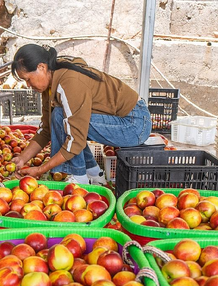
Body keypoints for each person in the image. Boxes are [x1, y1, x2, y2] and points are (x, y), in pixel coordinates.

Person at [10, 44, 152, 184]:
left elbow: (75, 138)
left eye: (28, 79)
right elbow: (46, 129)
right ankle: (94, 173)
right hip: (123, 121)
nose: (28, 85)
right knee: (62, 118)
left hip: (135, 124)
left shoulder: (69, 82)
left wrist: (41, 169)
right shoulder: (50, 86)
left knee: (64, 120)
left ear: (42, 67)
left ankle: (78, 177)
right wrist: (22, 158)